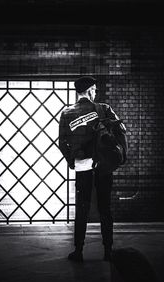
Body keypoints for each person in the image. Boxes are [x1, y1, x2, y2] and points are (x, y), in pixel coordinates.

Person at [58, 76, 126, 262]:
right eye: (94, 89)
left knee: (82, 209)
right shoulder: (103, 109)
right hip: (103, 166)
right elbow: (122, 131)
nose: (96, 93)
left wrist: (72, 161)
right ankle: (108, 251)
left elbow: (62, 142)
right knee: (105, 209)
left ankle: (78, 251)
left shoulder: (66, 113)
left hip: (82, 167)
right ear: (89, 90)